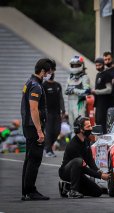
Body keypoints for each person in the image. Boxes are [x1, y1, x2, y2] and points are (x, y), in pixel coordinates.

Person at [20, 58, 54, 201]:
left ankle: (26, 191)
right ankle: (30, 191)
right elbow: (33, 109)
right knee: (34, 159)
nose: (49, 74)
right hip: (33, 128)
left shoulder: (29, 82)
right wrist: (40, 131)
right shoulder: (36, 86)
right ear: (42, 71)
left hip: (28, 126)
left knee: (29, 159)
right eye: (48, 71)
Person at [58, 116, 110, 198]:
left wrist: (99, 172)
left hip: (78, 172)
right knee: (78, 161)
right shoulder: (73, 145)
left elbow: (90, 162)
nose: (90, 128)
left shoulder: (86, 141)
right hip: (66, 172)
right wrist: (100, 176)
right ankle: (73, 191)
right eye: (88, 126)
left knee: (98, 192)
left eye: (90, 126)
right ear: (81, 129)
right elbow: (83, 168)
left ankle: (66, 187)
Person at [43, 62, 66, 157]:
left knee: (57, 131)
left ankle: (48, 147)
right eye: (49, 73)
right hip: (48, 113)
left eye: (52, 73)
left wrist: (63, 110)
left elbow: (61, 98)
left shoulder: (57, 85)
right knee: (49, 132)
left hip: (57, 113)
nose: (51, 74)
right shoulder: (44, 85)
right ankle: (48, 150)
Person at [65, 56, 91, 132]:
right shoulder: (70, 78)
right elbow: (65, 91)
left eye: (77, 65)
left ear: (82, 65)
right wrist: (69, 90)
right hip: (70, 104)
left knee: (80, 124)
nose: (75, 67)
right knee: (72, 125)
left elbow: (87, 91)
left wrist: (74, 90)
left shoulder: (85, 77)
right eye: (73, 65)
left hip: (80, 104)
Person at [91, 57, 112, 133]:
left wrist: (96, 92)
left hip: (104, 104)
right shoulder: (98, 75)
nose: (98, 67)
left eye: (99, 65)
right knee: (98, 121)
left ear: (103, 64)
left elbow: (109, 89)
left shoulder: (106, 74)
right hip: (98, 103)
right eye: (96, 65)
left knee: (102, 122)